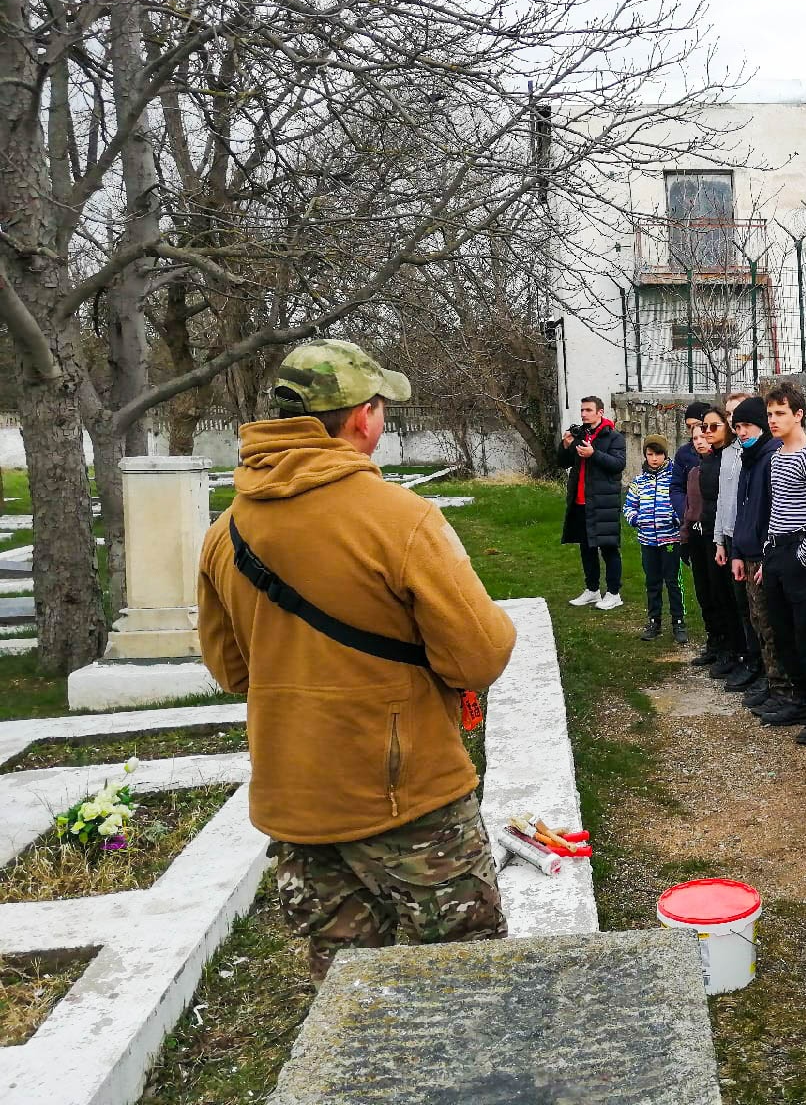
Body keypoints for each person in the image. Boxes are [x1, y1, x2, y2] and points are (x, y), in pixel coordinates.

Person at [196, 339, 517, 981]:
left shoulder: (226, 530)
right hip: (407, 798)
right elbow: (481, 654)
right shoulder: (399, 520)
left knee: (345, 990)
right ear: (362, 417)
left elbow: (233, 671)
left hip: (298, 797)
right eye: (380, 408)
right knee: (466, 980)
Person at [758, 383, 806, 739]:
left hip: (800, 554)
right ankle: (799, 698)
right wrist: (768, 555)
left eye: (780, 414)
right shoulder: (776, 455)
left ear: (798, 415)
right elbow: (778, 507)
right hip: (776, 551)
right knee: (783, 629)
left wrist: (804, 556)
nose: (773, 421)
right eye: (770, 414)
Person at [726, 395, 800, 718]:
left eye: (747, 425)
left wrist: (763, 557)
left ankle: (784, 689)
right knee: (758, 621)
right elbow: (744, 511)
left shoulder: (770, 458)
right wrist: (738, 552)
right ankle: (773, 684)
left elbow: (773, 513)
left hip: (765, 554)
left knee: (771, 624)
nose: (742, 432)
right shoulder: (750, 458)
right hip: (750, 551)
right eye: (738, 426)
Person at [558, 395, 626, 610]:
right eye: (582, 410)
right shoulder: (581, 434)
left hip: (603, 502)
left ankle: (614, 593)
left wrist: (594, 454)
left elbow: (618, 464)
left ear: (600, 412)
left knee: (608, 548)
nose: (583, 414)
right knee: (586, 548)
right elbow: (563, 463)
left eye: (588, 410)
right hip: (580, 502)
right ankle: (592, 590)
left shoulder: (613, 437)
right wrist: (566, 445)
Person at [714, 392, 762, 692]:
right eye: (730, 415)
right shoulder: (730, 452)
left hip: (751, 540)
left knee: (756, 609)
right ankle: (748, 658)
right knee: (741, 606)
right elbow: (723, 499)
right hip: (732, 536)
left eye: (739, 416)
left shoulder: (753, 451)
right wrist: (720, 539)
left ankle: (760, 665)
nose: (733, 421)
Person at [696, 404, 748, 678]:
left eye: (713, 426)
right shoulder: (712, 457)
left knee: (734, 600)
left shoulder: (733, 457)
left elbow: (730, 501)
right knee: (717, 595)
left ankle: (741, 654)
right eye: (704, 428)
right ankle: (726, 648)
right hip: (712, 533)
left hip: (731, 535)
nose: (707, 432)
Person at [624, 434, 686, 643]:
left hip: (670, 541)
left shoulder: (674, 479)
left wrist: (675, 518)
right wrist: (636, 519)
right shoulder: (639, 482)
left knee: (673, 581)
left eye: (658, 454)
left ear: (665, 455)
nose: (654, 458)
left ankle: (678, 621)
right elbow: (629, 507)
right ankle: (654, 620)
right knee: (652, 581)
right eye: (650, 454)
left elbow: (682, 504)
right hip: (648, 541)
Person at [671, 402, 714, 653]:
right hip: (692, 524)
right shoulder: (684, 454)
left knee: (718, 591)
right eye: (691, 430)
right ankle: (712, 640)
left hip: (712, 528)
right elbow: (676, 486)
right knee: (702, 589)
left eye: (699, 427)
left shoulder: (721, 456)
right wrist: (685, 509)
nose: (696, 436)